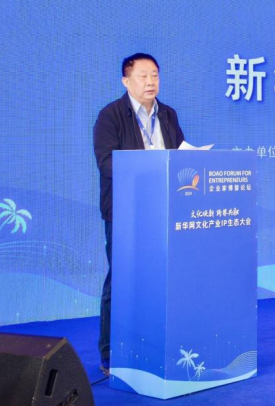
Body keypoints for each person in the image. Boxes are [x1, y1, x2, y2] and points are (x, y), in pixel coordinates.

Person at [93, 53, 185, 376]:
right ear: (126, 81)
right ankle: (111, 353)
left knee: (162, 278)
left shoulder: (168, 115)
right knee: (122, 280)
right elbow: (107, 164)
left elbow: (179, 156)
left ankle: (157, 344)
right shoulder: (110, 116)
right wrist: (150, 171)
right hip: (126, 214)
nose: (150, 82)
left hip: (164, 210)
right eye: (143, 76)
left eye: (155, 75)